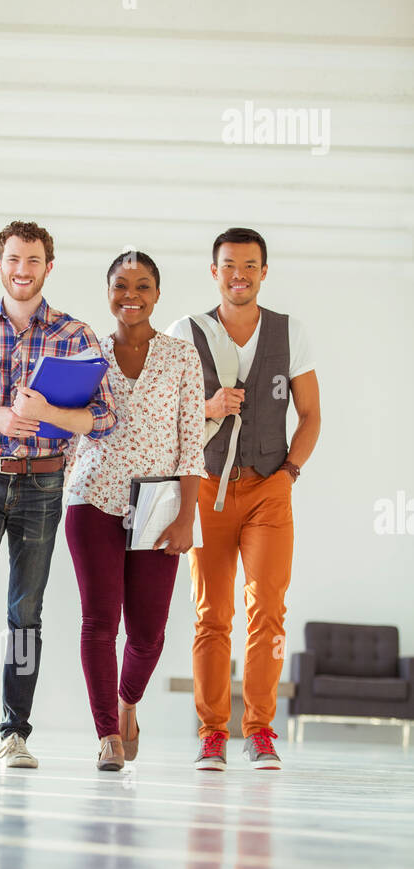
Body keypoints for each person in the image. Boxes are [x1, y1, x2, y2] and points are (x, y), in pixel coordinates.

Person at [0, 220, 115, 768]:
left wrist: (45, 414)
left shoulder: (76, 336)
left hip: (43, 483)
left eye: (33, 260)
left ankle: (16, 732)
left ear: (48, 268)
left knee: (25, 610)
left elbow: (101, 419)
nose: (22, 270)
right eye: (13, 259)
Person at [167, 227, 320, 770]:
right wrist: (208, 407)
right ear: (215, 271)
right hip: (206, 488)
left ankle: (259, 729)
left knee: (269, 611)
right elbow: (161, 414)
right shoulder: (184, 331)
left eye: (250, 265)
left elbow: (310, 416)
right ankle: (213, 731)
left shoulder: (289, 332)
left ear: (263, 272)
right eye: (229, 264)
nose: (239, 274)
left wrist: (290, 473)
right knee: (212, 614)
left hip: (268, 489)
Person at [64, 251, 205, 771]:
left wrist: (186, 514)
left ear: (157, 295)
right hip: (91, 497)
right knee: (99, 621)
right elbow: (69, 428)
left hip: (159, 503)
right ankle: (106, 735)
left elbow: (192, 442)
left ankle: (128, 704)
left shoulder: (181, 357)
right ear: (107, 292)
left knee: (147, 634)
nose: (131, 295)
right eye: (121, 285)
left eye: (142, 286)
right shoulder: (86, 354)